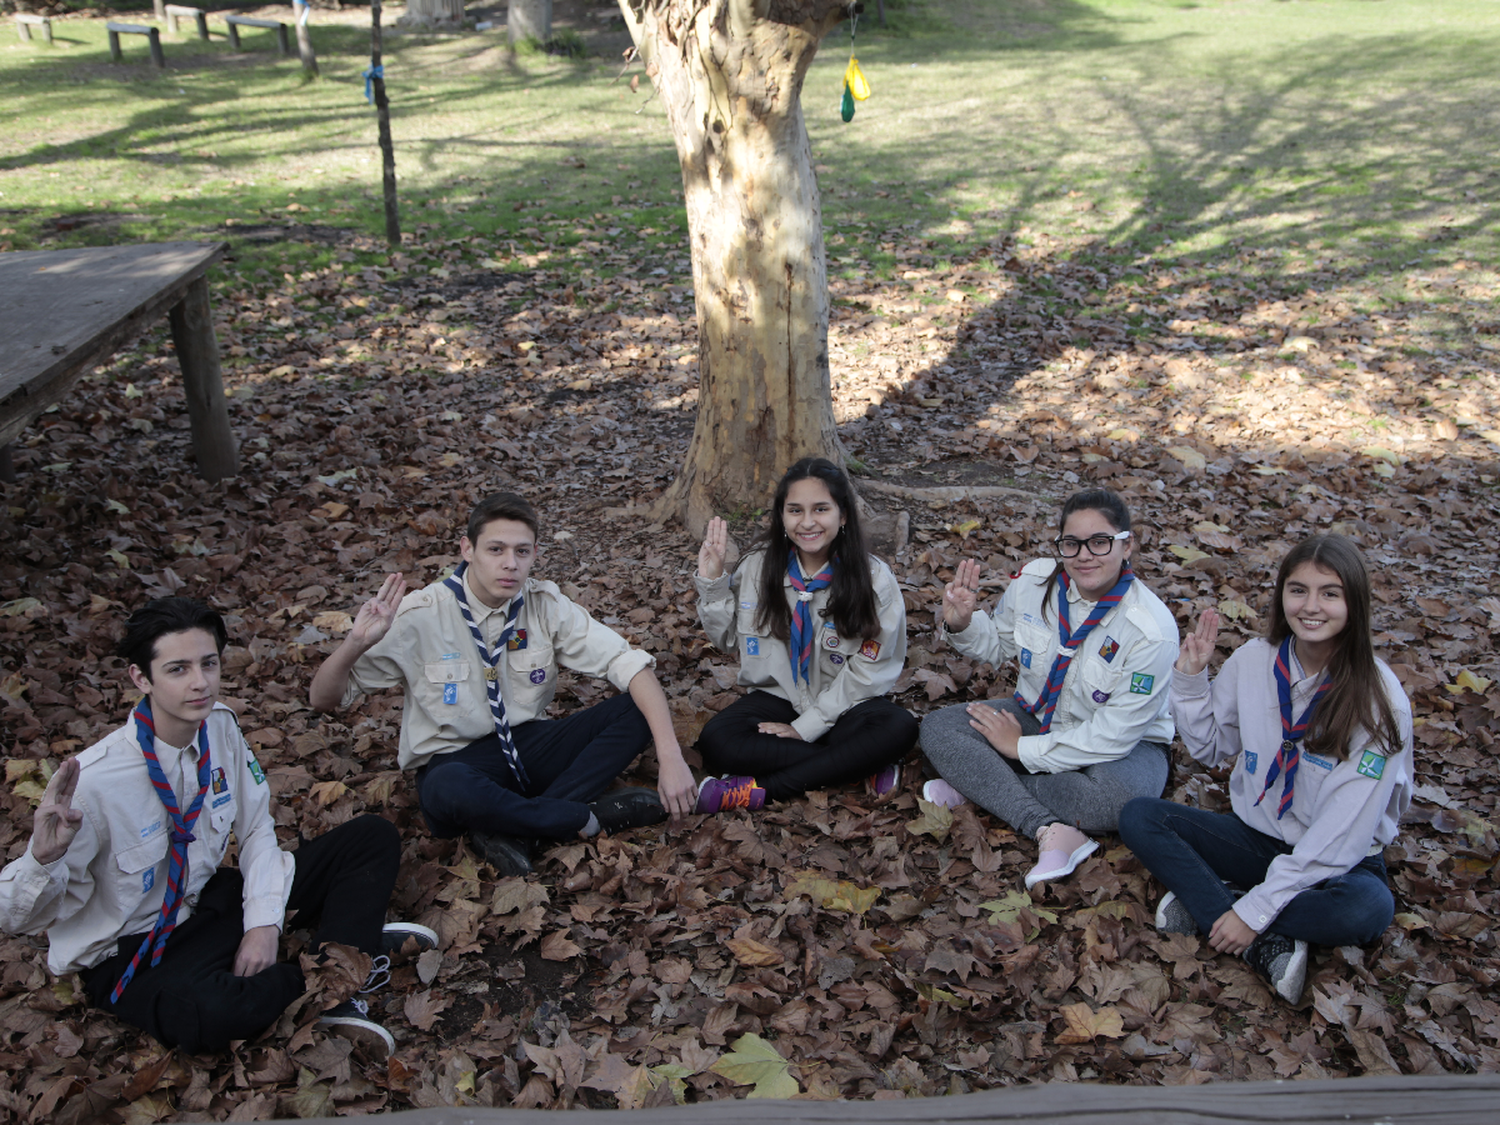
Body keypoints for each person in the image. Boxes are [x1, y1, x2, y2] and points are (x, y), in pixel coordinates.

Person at [0, 598, 434, 1056]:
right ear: (140, 678)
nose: (200, 683)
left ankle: (345, 957)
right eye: (178, 669)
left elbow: (255, 831)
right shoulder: (92, 785)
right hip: (137, 953)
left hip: (207, 903)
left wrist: (262, 925)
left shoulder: (218, 727)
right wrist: (40, 860)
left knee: (370, 837)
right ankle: (339, 960)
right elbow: (18, 921)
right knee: (218, 1013)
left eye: (209, 664)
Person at [310, 491, 697, 877]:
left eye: (522, 552)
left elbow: (629, 665)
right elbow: (325, 698)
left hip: (528, 746)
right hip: (458, 762)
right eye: (496, 549)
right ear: (467, 549)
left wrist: (671, 757)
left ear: (535, 553)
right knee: (448, 787)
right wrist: (355, 644)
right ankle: (585, 816)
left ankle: (517, 829)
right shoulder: (421, 614)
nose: (510, 564)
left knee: (638, 708)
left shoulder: (544, 604)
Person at [1119, 534, 1412, 1003]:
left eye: (1330, 593)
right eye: (1298, 590)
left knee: (1367, 910)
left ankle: (1214, 906)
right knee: (1140, 816)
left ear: (1354, 603)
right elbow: (1212, 749)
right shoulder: (1255, 659)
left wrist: (1253, 910)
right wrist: (1191, 682)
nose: (1311, 606)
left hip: (1338, 860)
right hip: (1258, 836)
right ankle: (1262, 939)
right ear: (1282, 596)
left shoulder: (1381, 702)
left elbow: (1341, 835)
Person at [919, 488, 1177, 890]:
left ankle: (979, 785)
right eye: (1071, 543)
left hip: (1126, 749)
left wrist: (1019, 750)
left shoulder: (1151, 631)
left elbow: (1114, 735)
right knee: (938, 728)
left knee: (1113, 802)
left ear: (1127, 545)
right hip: (1041, 716)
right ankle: (1048, 827)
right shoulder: (1035, 582)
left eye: (1100, 542)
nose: (1085, 555)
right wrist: (962, 623)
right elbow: (998, 645)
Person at [692, 457, 918, 812]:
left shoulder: (874, 579)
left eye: (821, 509)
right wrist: (713, 583)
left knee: (897, 727)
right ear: (781, 516)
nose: (808, 522)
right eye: (795, 510)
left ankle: (764, 789)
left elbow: (869, 672)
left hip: (845, 705)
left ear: (843, 515)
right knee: (717, 742)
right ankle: (859, 764)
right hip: (779, 698)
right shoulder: (757, 568)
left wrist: (807, 727)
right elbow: (728, 641)